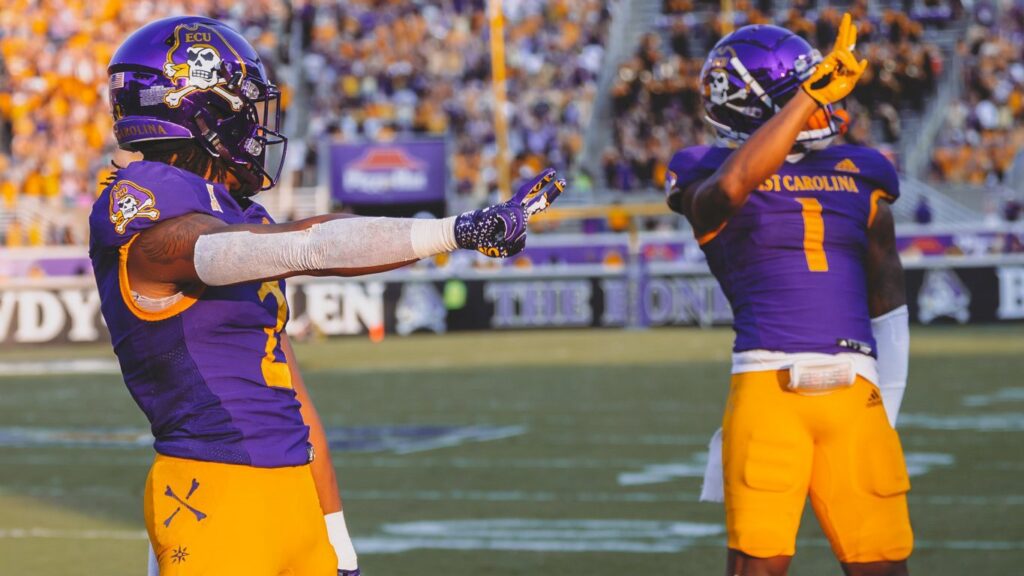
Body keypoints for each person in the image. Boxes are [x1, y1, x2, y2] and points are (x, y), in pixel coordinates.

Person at [89, 16, 564, 576]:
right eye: (244, 108)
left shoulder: (241, 217)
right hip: (212, 497)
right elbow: (290, 247)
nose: (254, 126)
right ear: (197, 109)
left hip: (294, 502)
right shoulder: (143, 207)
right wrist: (453, 231)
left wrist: (336, 536)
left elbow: (293, 398)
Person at [665, 15, 912, 576]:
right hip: (768, 387)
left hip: (856, 395)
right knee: (758, 566)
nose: (828, 103)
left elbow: (889, 300)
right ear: (757, 105)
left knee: (884, 565)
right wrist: (806, 99)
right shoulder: (702, 171)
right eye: (806, 89)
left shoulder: (863, 171)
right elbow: (732, 189)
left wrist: (888, 408)